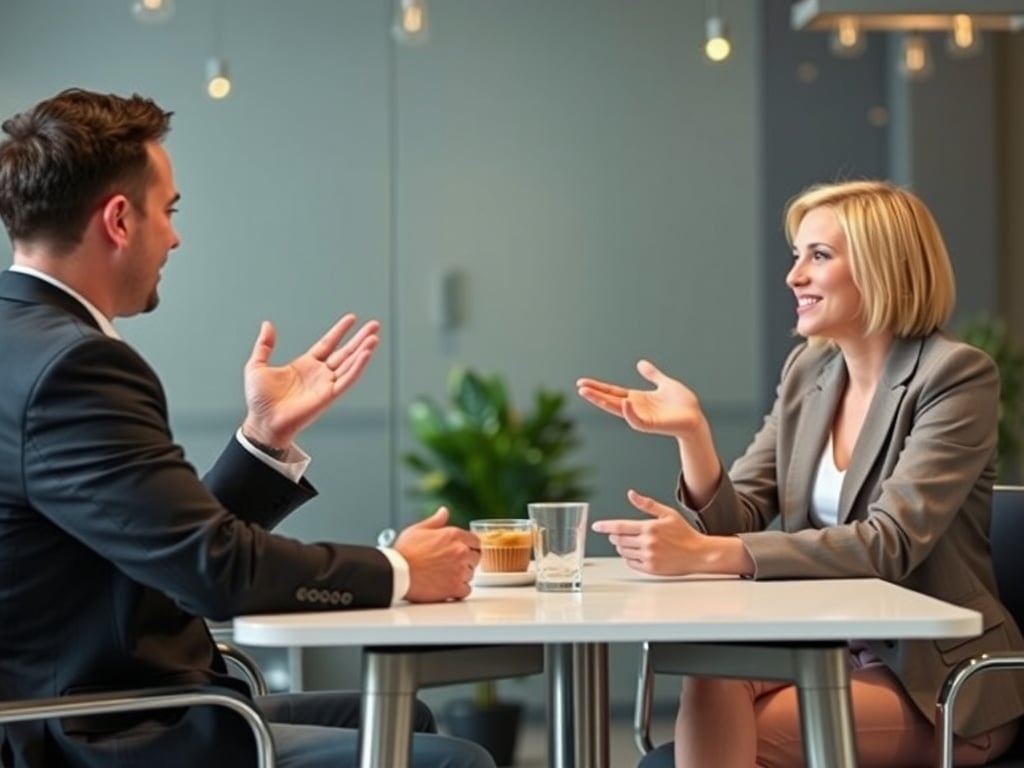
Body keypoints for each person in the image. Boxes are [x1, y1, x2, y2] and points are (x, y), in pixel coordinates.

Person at [0, 88, 494, 768]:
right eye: (168, 212)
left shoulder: (22, 343)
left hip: (89, 702)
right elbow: (213, 572)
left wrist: (262, 440)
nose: (175, 237)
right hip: (99, 728)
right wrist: (401, 570)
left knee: (407, 720)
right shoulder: (75, 366)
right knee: (449, 760)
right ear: (118, 219)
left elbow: (156, 545)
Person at [577, 180, 1024, 768]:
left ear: (882, 267)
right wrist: (694, 436)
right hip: (832, 652)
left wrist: (709, 556)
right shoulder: (809, 372)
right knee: (714, 675)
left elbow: (888, 543)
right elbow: (740, 517)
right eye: (797, 256)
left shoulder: (954, 375)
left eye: (819, 256)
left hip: (937, 684)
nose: (794, 276)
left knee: (736, 741)